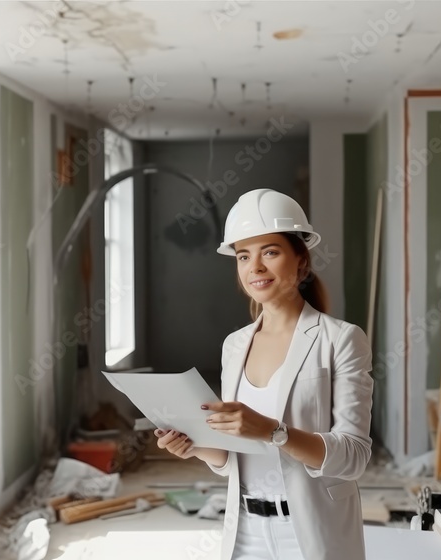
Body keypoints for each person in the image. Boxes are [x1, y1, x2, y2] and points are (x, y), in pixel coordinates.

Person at [154, 188, 374, 560]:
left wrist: (274, 431)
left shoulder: (341, 339)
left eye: (269, 252)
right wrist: (194, 446)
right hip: (247, 534)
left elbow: (353, 457)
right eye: (243, 256)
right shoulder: (234, 345)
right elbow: (234, 458)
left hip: (311, 533)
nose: (254, 267)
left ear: (301, 261)